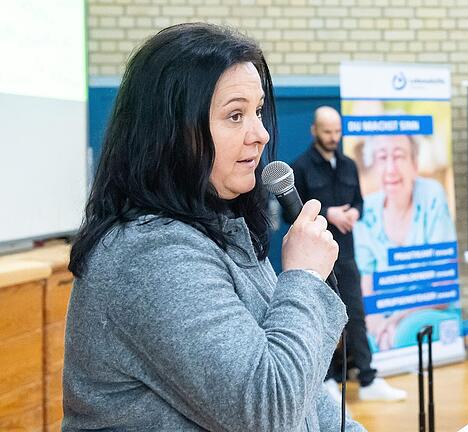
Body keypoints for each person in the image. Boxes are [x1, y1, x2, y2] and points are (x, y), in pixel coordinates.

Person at [63, 23, 365, 432]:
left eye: (258, 112)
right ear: (171, 132)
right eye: (235, 115)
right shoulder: (151, 256)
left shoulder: (224, 229)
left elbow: (308, 398)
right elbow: (269, 412)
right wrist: (306, 276)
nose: (259, 135)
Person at [291, 107, 407, 402]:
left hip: (347, 255)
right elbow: (291, 216)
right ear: (314, 131)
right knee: (321, 318)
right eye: (327, 131)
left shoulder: (348, 165)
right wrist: (328, 214)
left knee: (356, 314)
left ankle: (368, 379)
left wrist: (354, 211)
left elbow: (359, 201)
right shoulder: (300, 167)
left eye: (337, 131)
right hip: (315, 259)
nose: (333, 137)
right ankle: (327, 380)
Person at [354, 134, 458, 352]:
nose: (391, 168)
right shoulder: (367, 210)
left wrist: (398, 318)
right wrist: (377, 324)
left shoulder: (431, 196)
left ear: (414, 164)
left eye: (399, 156)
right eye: (382, 158)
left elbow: (443, 284)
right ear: (374, 168)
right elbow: (367, 283)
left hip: (430, 308)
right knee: (369, 342)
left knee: (405, 333)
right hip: (385, 314)